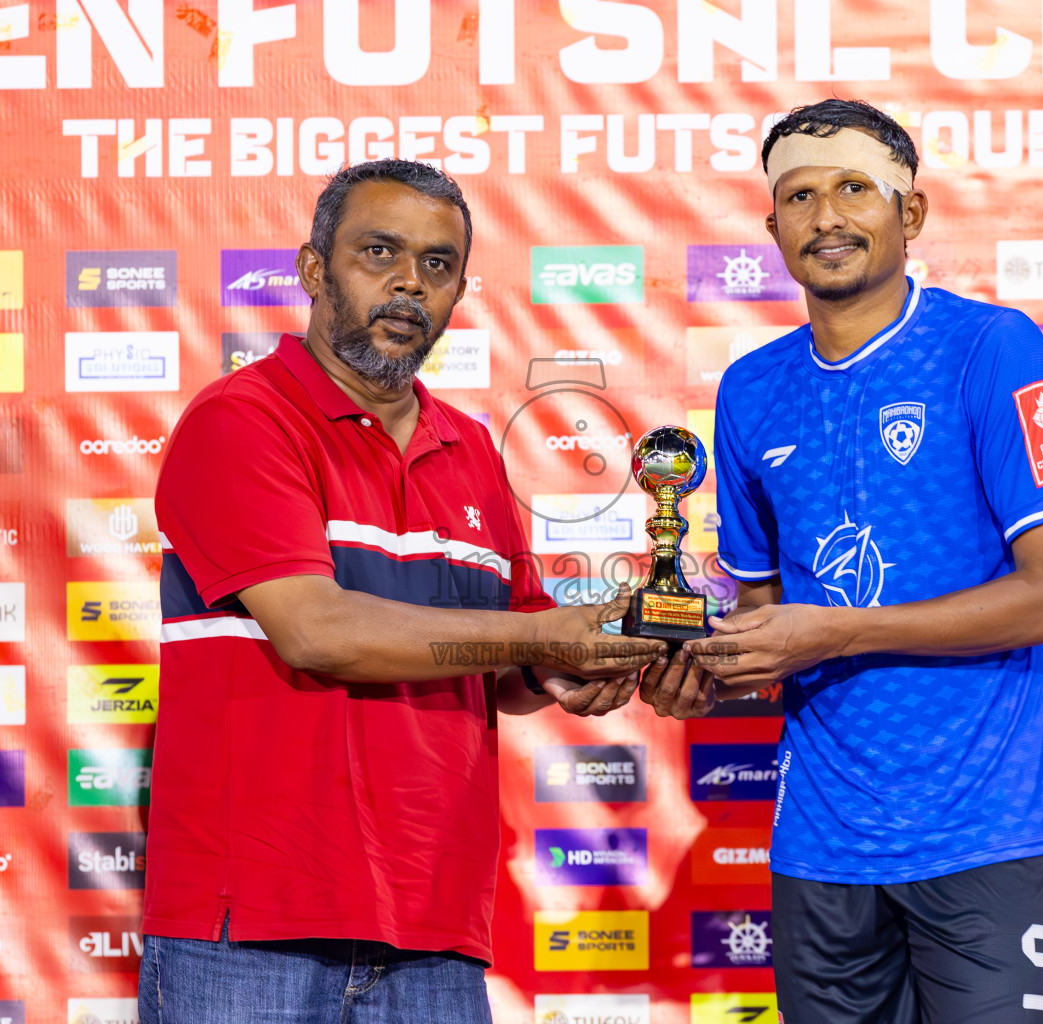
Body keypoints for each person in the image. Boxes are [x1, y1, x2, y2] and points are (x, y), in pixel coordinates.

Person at [139, 159, 661, 1024]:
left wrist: (571, 673)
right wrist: (543, 641)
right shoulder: (242, 420)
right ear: (314, 270)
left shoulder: (470, 449)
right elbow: (318, 630)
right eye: (378, 252)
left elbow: (506, 660)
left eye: (436, 264)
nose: (407, 283)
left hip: (432, 924)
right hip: (252, 925)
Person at [641, 100, 1043, 1021]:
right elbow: (769, 627)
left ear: (912, 215)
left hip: (985, 837)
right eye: (801, 196)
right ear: (772, 228)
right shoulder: (748, 390)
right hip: (820, 847)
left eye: (856, 188)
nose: (827, 216)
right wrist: (696, 669)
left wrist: (841, 629)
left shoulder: (992, 347)